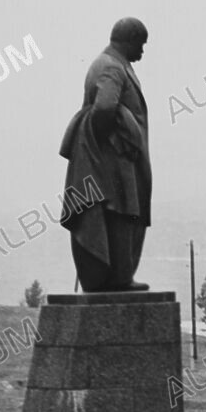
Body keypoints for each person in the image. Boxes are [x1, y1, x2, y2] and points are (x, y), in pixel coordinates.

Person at [59, 18, 151, 292]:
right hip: (112, 161)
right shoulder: (111, 66)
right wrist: (113, 143)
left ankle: (118, 277)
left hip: (115, 159)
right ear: (129, 40)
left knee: (120, 215)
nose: (142, 52)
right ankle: (119, 278)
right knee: (121, 214)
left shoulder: (114, 64)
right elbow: (104, 109)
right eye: (141, 44)